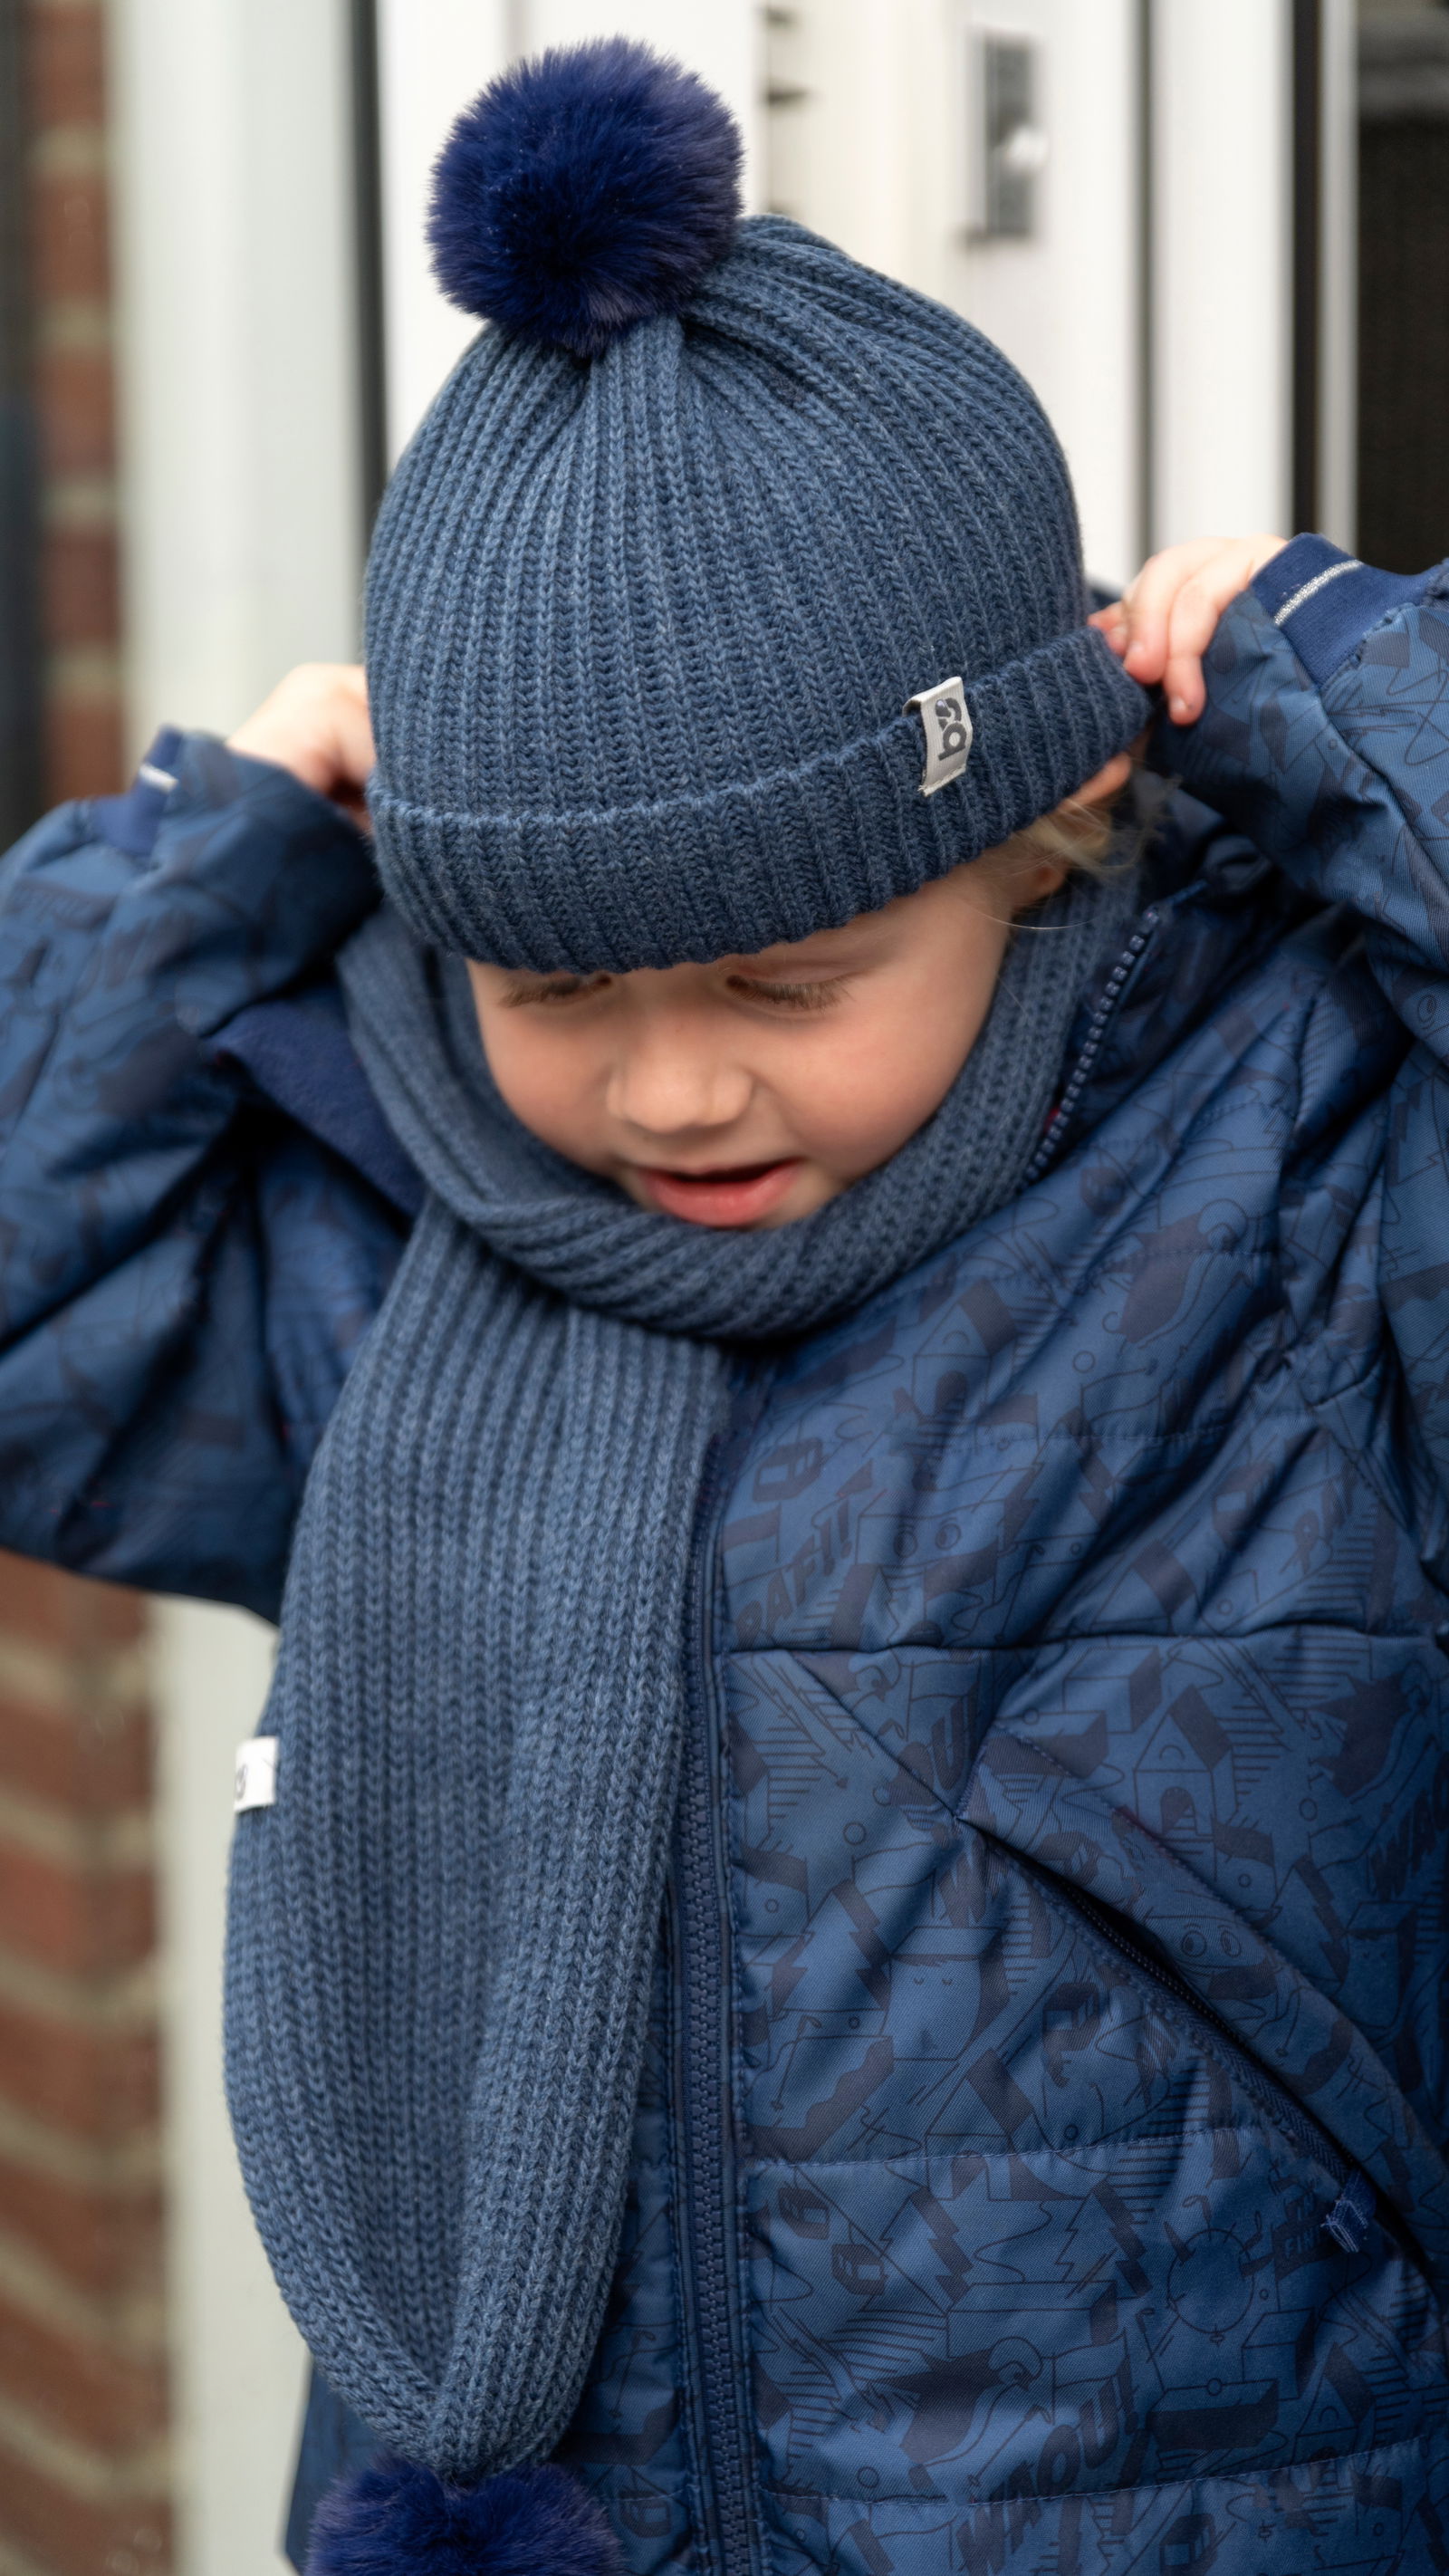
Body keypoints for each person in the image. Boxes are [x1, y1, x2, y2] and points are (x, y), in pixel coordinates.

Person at [3, 35, 1448, 2576]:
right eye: (551, 989)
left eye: (787, 979)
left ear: (1045, 827)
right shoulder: (402, 1234)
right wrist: (203, 863)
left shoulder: (1297, 1186)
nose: (667, 1090)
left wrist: (1372, 707)